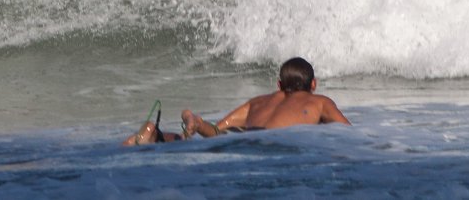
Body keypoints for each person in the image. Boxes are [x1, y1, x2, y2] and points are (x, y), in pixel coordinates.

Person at [122, 57, 350, 146]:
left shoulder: (257, 102)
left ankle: (179, 128)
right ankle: (179, 129)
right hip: (272, 145)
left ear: (279, 85)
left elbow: (218, 128)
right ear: (313, 85)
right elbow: (350, 134)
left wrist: (205, 128)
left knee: (213, 134)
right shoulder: (320, 102)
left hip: (250, 136)